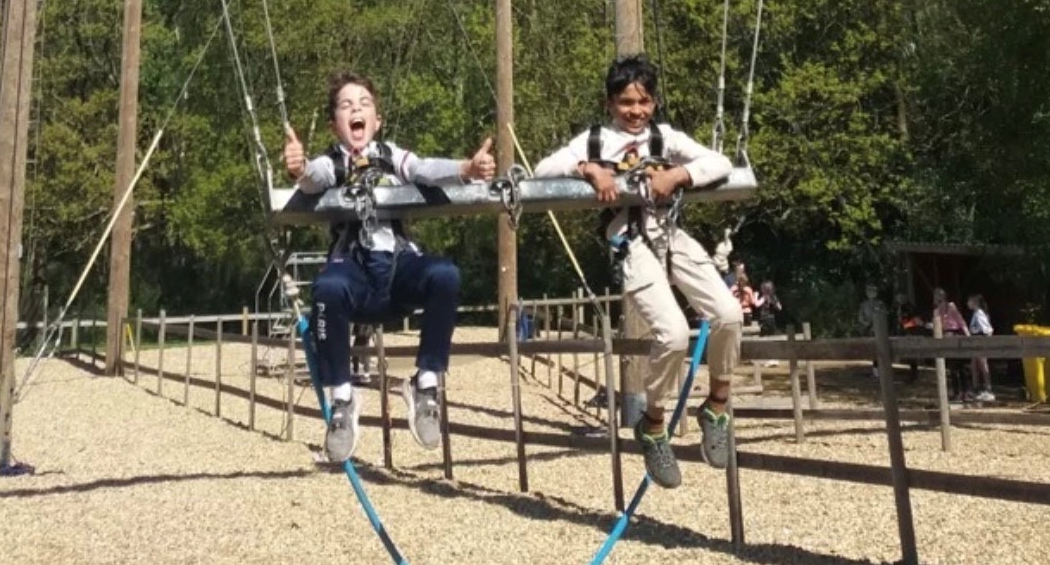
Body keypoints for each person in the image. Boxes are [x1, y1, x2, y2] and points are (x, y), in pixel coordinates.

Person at [535, 53, 743, 491]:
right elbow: (542, 171)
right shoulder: (594, 141)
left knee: (729, 314)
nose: (635, 111)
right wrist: (588, 169)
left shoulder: (665, 138)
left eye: (643, 102)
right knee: (673, 333)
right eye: (626, 102)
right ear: (610, 104)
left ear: (654, 103)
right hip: (630, 241)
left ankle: (717, 406)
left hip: (669, 232)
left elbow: (720, 163)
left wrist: (679, 175)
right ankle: (653, 424)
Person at [283, 71, 495, 465]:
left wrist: (466, 167)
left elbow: (424, 169)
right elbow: (313, 179)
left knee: (444, 275)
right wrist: (298, 168)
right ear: (334, 124)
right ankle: (343, 398)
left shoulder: (390, 156)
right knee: (326, 289)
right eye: (346, 106)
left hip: (398, 267)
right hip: (354, 271)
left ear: (376, 120)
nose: (356, 110)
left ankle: (425, 384)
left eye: (364, 104)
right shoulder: (332, 162)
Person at [933, 287, 972, 403]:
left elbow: (960, 320)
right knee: (953, 367)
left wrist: (967, 334)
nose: (939, 298)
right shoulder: (936, 311)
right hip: (945, 337)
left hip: (956, 334)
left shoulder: (951, 306)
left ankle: (966, 392)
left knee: (962, 366)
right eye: (937, 296)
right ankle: (957, 392)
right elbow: (937, 326)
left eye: (941, 296)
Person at [967, 293, 995, 403]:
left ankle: (988, 389)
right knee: (974, 365)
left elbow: (987, 329)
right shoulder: (975, 313)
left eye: (970, 301)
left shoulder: (979, 313)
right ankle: (976, 388)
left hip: (980, 340)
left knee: (983, 364)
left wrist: (984, 338)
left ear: (975, 302)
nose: (968, 303)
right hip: (975, 341)